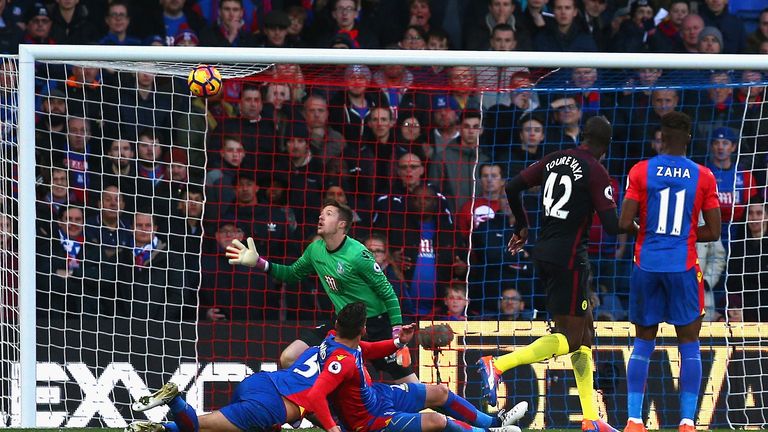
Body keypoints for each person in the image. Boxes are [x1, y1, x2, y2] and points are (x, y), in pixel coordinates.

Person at [477, 116, 621, 432]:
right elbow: (612, 226)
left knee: (584, 336)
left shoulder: (556, 158)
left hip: (544, 254)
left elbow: (512, 186)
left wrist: (521, 225)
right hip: (570, 261)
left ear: (583, 136)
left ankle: (591, 419)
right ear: (605, 148)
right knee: (570, 338)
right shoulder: (596, 171)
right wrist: (642, 227)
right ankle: (498, 365)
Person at [226, 199, 418, 383]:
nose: (321, 217)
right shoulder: (315, 250)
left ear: (342, 224)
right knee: (289, 358)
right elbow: (291, 274)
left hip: (376, 326)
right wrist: (259, 263)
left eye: (328, 214)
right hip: (342, 324)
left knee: (415, 388)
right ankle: (321, 405)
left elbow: (388, 293)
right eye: (321, 214)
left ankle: (442, 412)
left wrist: (396, 335)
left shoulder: (358, 254)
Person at [617, 111, 721, 432]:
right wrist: (684, 235)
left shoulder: (640, 170)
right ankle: (687, 422)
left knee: (643, 343)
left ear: (660, 137)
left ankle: (635, 420)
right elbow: (714, 230)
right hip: (683, 266)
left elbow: (623, 223)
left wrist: (649, 232)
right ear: (688, 137)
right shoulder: (703, 176)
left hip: (646, 265)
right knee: (689, 343)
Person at [302, 301, 526, 432]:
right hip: (369, 421)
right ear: (363, 329)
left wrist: (399, 342)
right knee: (436, 421)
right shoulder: (341, 362)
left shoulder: (335, 336)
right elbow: (315, 395)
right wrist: (332, 428)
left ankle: (496, 422)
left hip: (378, 396)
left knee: (440, 392)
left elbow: (367, 349)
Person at [125, 344, 324, 432]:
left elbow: (288, 356)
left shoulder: (320, 347)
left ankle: (159, 429)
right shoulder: (345, 365)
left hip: (260, 382)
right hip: (267, 407)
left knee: (213, 428)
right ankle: (174, 400)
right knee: (198, 428)